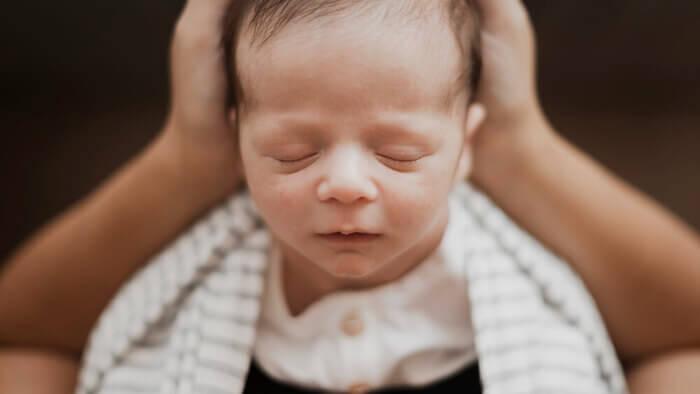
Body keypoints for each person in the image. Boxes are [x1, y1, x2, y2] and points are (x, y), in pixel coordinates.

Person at [1, 0, 699, 393]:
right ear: (238, 143)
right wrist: (188, 155)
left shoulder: (528, 302)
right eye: (292, 154)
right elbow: (21, 337)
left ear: (466, 147)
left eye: (398, 154)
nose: (343, 185)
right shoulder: (187, 293)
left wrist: (522, 142)